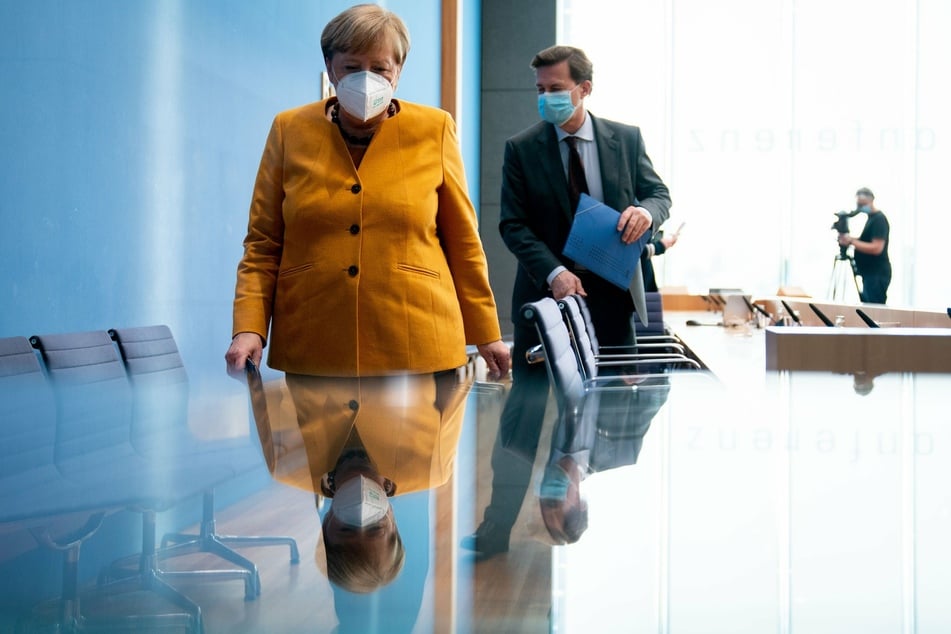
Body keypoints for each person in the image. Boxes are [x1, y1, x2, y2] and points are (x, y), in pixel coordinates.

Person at [225, 4, 510, 381]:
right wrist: (249, 326)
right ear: (330, 67)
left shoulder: (435, 129)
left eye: (380, 68)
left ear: (399, 71)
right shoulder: (289, 130)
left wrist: (487, 333)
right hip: (314, 340)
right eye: (352, 67)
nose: (366, 78)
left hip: (417, 341)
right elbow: (263, 243)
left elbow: (463, 242)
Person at [463, 45, 671, 558]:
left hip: (612, 301)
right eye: (541, 90)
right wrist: (553, 272)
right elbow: (513, 224)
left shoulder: (625, 139)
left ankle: (590, 501)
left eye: (556, 89)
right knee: (522, 419)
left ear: (584, 89)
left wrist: (647, 213)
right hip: (545, 300)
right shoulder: (523, 147)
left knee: (606, 410)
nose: (547, 99)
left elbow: (659, 194)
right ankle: (496, 530)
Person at [838, 187, 891, 304]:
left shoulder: (879, 220)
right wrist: (850, 239)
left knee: (874, 310)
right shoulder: (871, 219)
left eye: (863, 204)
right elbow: (867, 241)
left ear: (871, 200)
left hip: (876, 274)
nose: (860, 207)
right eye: (858, 204)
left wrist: (851, 241)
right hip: (869, 274)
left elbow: (876, 248)